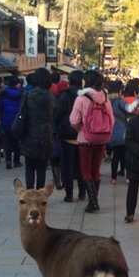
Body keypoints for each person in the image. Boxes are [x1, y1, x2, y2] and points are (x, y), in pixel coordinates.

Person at [69, 69, 115, 213]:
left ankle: (93, 203)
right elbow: (111, 120)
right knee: (95, 170)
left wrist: (79, 129)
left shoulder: (81, 98)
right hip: (102, 139)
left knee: (85, 171)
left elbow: (74, 120)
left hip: (86, 138)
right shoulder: (105, 98)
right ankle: (93, 199)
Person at [19, 67, 55, 190]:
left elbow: (22, 114)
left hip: (29, 135)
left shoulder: (28, 94)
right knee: (42, 169)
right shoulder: (51, 96)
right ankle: (40, 194)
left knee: (29, 167)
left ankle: (29, 193)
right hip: (46, 136)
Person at [54, 69, 86, 203]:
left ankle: (69, 194)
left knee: (67, 165)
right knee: (81, 165)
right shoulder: (86, 96)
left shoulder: (65, 95)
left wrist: (58, 128)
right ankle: (82, 192)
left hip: (67, 135)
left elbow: (58, 114)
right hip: (82, 135)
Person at [108, 81, 139, 184]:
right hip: (122, 133)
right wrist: (138, 98)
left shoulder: (107, 102)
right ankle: (128, 177)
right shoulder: (119, 102)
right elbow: (130, 109)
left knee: (115, 156)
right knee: (125, 156)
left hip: (111, 133)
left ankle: (113, 178)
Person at [0, 75, 23, 169]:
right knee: (17, 142)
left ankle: (8, 161)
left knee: (8, 141)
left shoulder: (4, 94)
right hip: (18, 121)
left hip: (6, 121)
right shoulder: (22, 94)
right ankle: (16, 160)